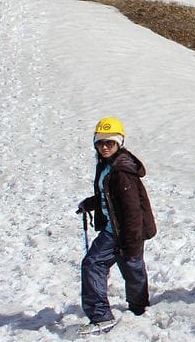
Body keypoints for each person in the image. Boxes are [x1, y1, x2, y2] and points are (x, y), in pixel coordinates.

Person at [76, 117, 157, 335]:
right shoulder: (107, 166)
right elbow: (109, 197)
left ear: (119, 143)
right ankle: (139, 307)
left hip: (123, 231)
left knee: (96, 264)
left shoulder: (121, 172)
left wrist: (131, 241)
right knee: (131, 267)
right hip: (116, 229)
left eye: (109, 143)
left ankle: (102, 316)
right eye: (100, 142)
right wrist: (91, 203)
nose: (104, 147)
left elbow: (132, 210)